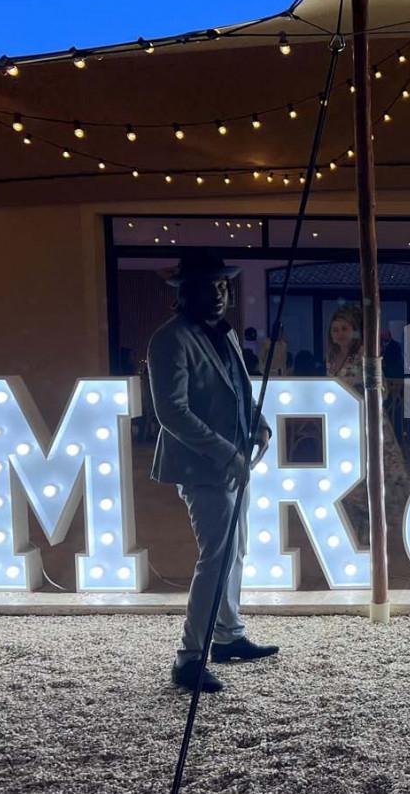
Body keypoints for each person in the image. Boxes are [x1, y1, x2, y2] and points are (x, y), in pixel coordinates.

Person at [148, 249, 279, 694]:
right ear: (186, 293)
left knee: (235, 550)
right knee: (217, 558)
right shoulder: (171, 339)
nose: (219, 294)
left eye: (223, 285)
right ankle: (189, 657)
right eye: (209, 286)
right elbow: (173, 413)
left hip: (235, 462)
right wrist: (226, 453)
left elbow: (240, 390)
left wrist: (258, 422)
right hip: (203, 468)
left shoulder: (223, 334)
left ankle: (227, 635)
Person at [325, 304, 410, 539]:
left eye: (344, 328)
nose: (339, 334)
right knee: (349, 478)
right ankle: (360, 530)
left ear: (355, 331)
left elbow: (381, 389)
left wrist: (356, 392)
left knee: (374, 475)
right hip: (343, 426)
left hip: (367, 423)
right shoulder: (332, 357)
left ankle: (377, 530)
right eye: (335, 329)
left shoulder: (365, 355)